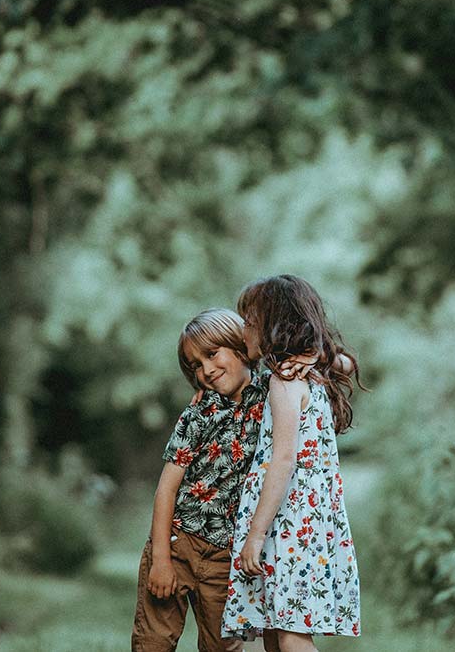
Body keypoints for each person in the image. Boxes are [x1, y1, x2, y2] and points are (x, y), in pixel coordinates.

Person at [131, 308, 322, 652]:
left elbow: (337, 366)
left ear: (239, 344)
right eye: (195, 366)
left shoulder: (275, 391)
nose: (206, 370)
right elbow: (166, 489)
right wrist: (160, 558)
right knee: (152, 642)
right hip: (178, 544)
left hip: (227, 557)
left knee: (222, 647)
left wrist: (308, 357)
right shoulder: (199, 412)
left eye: (211, 354)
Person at [221, 275, 362, 652]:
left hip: (288, 525)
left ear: (273, 328)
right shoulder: (312, 373)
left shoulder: (285, 382)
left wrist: (255, 535)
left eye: (249, 323)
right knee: (276, 627)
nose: (243, 332)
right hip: (307, 523)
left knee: (290, 635)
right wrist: (317, 354)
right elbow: (347, 362)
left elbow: (282, 461)